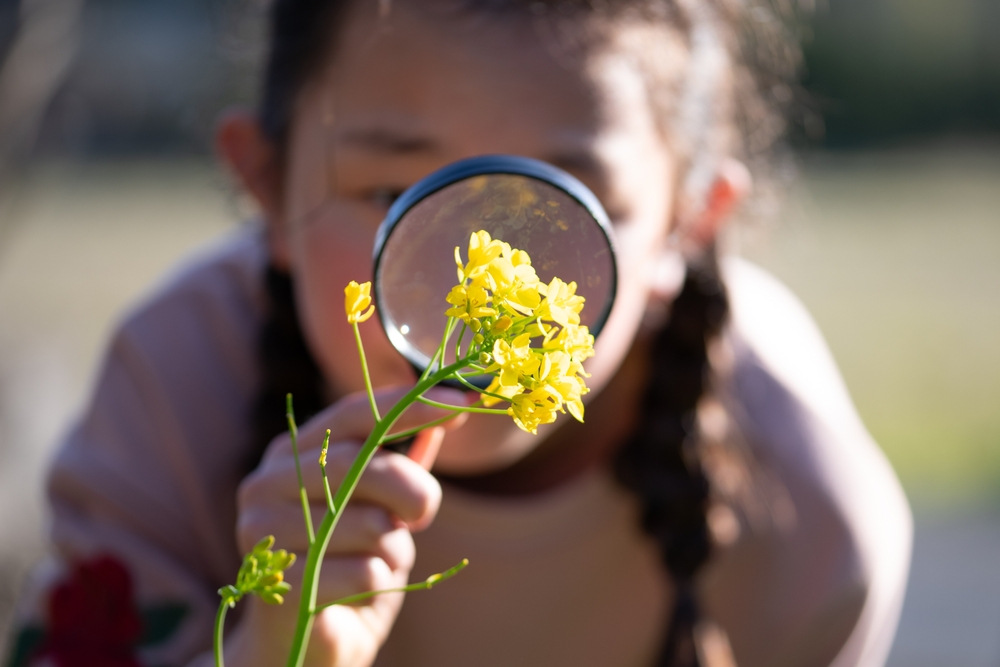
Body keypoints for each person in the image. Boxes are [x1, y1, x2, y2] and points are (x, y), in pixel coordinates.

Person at [6, 1, 912, 666]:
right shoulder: (169, 395)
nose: (457, 287)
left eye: (566, 208)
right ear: (265, 188)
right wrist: (273, 651)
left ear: (692, 224)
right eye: (384, 195)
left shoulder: (808, 517)